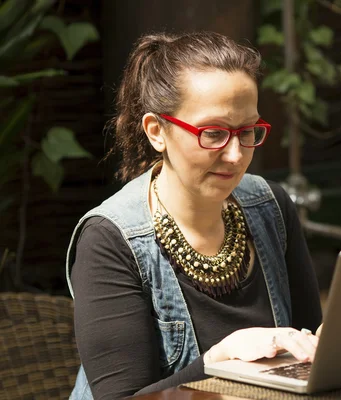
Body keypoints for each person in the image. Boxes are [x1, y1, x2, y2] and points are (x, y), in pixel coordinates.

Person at [65, 31, 323, 400]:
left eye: (247, 131)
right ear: (157, 132)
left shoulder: (270, 206)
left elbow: (310, 344)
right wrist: (220, 358)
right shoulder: (109, 238)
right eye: (214, 133)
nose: (236, 155)